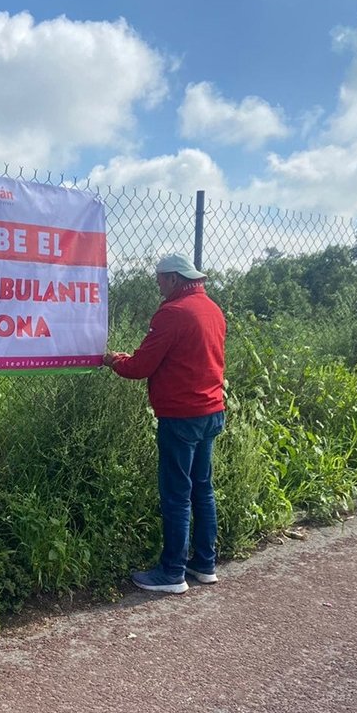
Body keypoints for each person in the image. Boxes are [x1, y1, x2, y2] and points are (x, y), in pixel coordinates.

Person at [102, 253, 227, 594]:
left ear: (173, 278)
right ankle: (204, 563)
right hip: (212, 410)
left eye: (159, 279)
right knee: (203, 488)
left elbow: (140, 366)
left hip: (181, 415)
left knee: (176, 493)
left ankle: (172, 572)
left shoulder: (172, 313)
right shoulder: (213, 310)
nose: (158, 286)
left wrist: (115, 360)